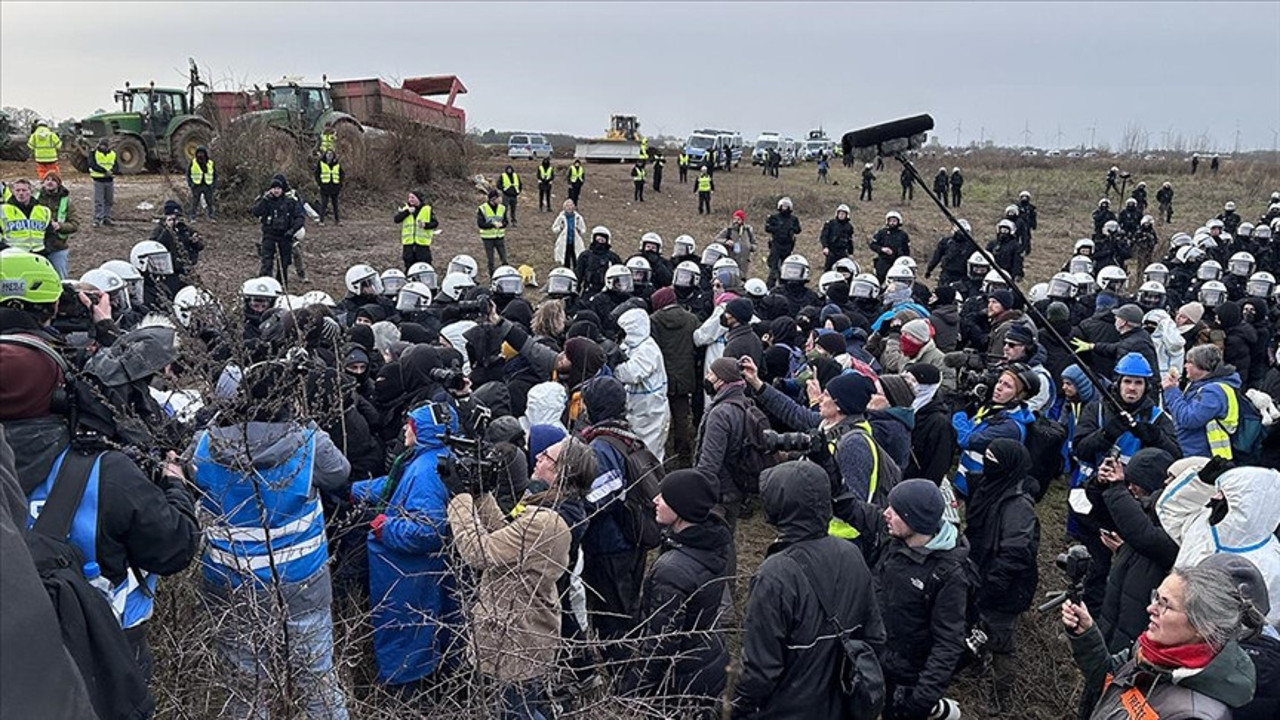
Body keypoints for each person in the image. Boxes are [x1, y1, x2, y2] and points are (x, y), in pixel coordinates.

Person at [189, 360, 351, 719]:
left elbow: (188, 477)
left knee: (246, 691)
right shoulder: (308, 443)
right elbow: (339, 472)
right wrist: (308, 423)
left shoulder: (205, 445)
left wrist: (216, 421)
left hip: (231, 585)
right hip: (302, 583)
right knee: (318, 685)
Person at [446, 436, 596, 719]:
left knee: (516, 712)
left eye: (546, 456)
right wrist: (481, 495)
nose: (537, 456)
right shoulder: (552, 507)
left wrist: (460, 499)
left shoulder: (547, 521)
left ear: (562, 472)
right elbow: (507, 539)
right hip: (525, 630)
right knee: (522, 707)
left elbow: (480, 552)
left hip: (519, 637)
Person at [732, 460, 886, 719]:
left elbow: (760, 671)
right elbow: (875, 635)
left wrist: (732, 709)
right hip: (843, 703)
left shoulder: (774, 574)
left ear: (778, 506)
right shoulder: (851, 554)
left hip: (788, 709)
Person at [350, 402, 461, 688]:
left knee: (405, 638)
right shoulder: (431, 458)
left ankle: (405, 696)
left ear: (422, 431)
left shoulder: (425, 473)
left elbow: (427, 531)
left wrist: (382, 526)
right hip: (410, 573)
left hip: (405, 575)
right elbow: (396, 486)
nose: (404, 429)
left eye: (410, 424)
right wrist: (353, 490)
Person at [1062, 563, 1257, 720]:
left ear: (1203, 626)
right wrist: (1086, 635)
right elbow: (1110, 678)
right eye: (1156, 597)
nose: (1150, 608)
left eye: (1165, 605)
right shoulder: (1151, 651)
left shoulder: (1194, 715)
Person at [620, 468, 731, 716]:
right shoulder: (714, 541)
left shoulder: (672, 570)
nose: (655, 500)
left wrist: (634, 691)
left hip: (679, 679)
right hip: (708, 658)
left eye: (664, 496)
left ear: (682, 507)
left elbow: (661, 642)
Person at [876, 480, 969, 720]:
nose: (886, 513)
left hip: (907, 678)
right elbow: (851, 509)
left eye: (895, 510)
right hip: (879, 663)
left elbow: (948, 643)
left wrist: (921, 700)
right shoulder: (895, 541)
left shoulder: (948, 576)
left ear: (915, 520)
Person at [964, 439, 1041, 714]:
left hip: (1005, 586)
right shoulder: (989, 488)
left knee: (1001, 642)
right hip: (980, 572)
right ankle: (973, 663)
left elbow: (1015, 555)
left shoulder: (1018, 505)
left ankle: (999, 699)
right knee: (976, 622)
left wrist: (992, 587)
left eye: (993, 459)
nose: (987, 463)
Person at [1160, 344, 1245, 459]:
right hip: (1191, 452)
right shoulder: (1198, 385)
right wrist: (1173, 389)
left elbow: (1189, 419)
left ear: (1203, 365)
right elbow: (1175, 411)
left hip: (1204, 456)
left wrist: (1171, 391)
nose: (1185, 366)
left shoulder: (1214, 392)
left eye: (1190, 362)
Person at [650, 288, 700, 466]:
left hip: (661, 377)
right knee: (681, 417)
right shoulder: (691, 319)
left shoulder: (654, 320)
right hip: (685, 376)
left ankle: (658, 455)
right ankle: (684, 455)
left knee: (657, 418)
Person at [252, 175, 305, 285]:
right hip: (269, 235)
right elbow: (256, 212)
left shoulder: (290, 201)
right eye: (274, 188)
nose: (276, 191)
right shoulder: (266, 200)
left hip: (286, 236)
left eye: (278, 188)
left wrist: (292, 230)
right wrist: (264, 200)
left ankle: (283, 284)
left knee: (284, 264)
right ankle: (265, 284)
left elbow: (300, 216)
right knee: (266, 263)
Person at [34, 173, 79, 279]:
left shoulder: (66, 201)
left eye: (53, 180)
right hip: (37, 247)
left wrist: (60, 226)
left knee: (60, 278)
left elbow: (75, 224)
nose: (50, 182)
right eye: (47, 179)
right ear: (43, 183)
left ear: (58, 184)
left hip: (58, 246)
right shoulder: (34, 199)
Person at [0, 178, 50, 255]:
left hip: (38, 254)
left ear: (30, 192)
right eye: (18, 190)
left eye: (24, 190)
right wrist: (6, 249)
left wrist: (47, 249)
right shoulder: (2, 210)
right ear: (13, 192)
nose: (21, 193)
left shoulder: (43, 210)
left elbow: (50, 233)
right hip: (12, 254)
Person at [396, 189, 437, 271]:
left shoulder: (427, 209)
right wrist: (407, 212)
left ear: (418, 199)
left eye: (413, 197)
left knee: (424, 266)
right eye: (409, 197)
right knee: (409, 266)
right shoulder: (405, 209)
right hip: (408, 244)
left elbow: (435, 223)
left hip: (422, 244)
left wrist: (425, 225)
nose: (410, 199)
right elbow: (396, 219)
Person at [764, 197, 801, 285]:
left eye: (786, 206)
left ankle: (784, 285)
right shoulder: (774, 217)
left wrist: (791, 229)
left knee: (786, 266)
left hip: (788, 245)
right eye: (783, 206)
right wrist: (777, 228)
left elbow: (798, 230)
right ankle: (770, 286)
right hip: (776, 244)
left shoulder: (793, 219)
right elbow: (767, 228)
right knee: (774, 267)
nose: (784, 208)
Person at [869, 211, 910, 282]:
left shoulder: (903, 235)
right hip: (883, 261)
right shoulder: (882, 233)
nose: (892, 223)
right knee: (879, 279)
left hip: (897, 262)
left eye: (894, 221)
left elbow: (907, 250)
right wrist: (882, 249)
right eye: (890, 221)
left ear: (899, 222)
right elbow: (873, 245)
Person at [477, 189, 510, 277]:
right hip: (488, 238)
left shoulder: (502, 208)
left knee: (504, 259)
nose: (500, 199)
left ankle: (506, 274)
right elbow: (480, 224)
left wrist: (502, 224)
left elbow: (506, 221)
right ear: (493, 199)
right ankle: (492, 276)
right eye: (498, 198)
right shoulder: (482, 208)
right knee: (491, 260)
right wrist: (492, 225)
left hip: (499, 237)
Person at [87, 137, 117, 227]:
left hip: (109, 180)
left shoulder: (113, 154)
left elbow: (116, 166)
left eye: (105, 146)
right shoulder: (93, 153)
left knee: (109, 200)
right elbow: (92, 165)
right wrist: (105, 171)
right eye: (102, 145)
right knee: (99, 201)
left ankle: (106, 218)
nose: (103, 147)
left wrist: (113, 172)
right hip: (98, 180)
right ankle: (98, 218)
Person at [717, 209, 756, 277]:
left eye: (738, 219)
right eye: (735, 219)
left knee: (743, 278)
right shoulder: (728, 230)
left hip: (745, 262)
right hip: (731, 260)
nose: (736, 221)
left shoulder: (748, 231)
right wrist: (726, 241)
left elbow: (754, 243)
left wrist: (750, 247)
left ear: (742, 220)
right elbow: (717, 239)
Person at [820, 204, 855, 271]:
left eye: (843, 214)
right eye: (840, 213)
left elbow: (850, 240)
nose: (841, 215)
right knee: (828, 269)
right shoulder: (831, 224)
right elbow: (824, 236)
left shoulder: (849, 227)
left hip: (843, 252)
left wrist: (851, 253)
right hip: (832, 251)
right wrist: (825, 247)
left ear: (847, 215)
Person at [551, 199, 585, 268]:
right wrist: (560, 228)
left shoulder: (578, 218)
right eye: (567, 206)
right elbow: (554, 229)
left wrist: (579, 230)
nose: (569, 207)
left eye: (571, 205)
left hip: (575, 241)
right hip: (565, 242)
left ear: (573, 207)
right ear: (564, 207)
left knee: (576, 259)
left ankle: (576, 272)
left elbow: (583, 229)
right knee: (566, 259)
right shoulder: (561, 217)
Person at [187, 145, 215, 221]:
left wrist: (213, 185)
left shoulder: (210, 163)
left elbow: (215, 175)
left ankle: (211, 217)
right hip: (196, 185)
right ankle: (192, 217)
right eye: (199, 153)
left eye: (202, 153)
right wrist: (191, 184)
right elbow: (188, 174)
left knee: (210, 202)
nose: (200, 155)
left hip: (207, 185)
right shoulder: (193, 163)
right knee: (195, 202)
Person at [315, 149, 342, 225]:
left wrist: (340, 184)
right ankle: (321, 221)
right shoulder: (321, 163)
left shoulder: (337, 164)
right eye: (328, 154)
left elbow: (341, 174)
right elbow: (317, 174)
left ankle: (337, 220)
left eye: (331, 154)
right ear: (325, 155)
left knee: (335, 205)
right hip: (325, 187)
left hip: (335, 187)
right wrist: (320, 184)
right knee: (324, 204)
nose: (329, 155)